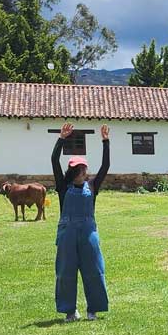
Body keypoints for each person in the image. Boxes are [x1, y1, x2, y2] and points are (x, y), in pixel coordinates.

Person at [51, 122, 110, 322]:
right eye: (79, 170)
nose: (83, 172)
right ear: (72, 172)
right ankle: (69, 311)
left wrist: (105, 142)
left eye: (83, 169)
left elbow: (106, 166)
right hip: (67, 232)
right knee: (66, 271)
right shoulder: (63, 186)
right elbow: (53, 159)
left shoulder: (92, 185)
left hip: (88, 232)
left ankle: (93, 309)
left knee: (94, 269)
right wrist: (61, 139)